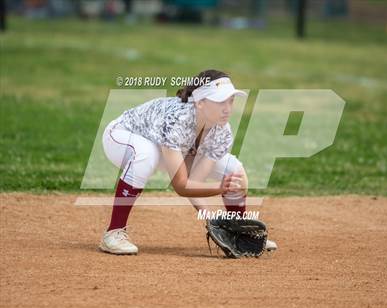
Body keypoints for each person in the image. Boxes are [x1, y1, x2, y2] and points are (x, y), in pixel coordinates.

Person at [99, 69, 277, 255]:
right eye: (220, 101)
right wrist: (220, 187)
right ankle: (113, 233)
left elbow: (194, 183)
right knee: (146, 154)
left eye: (230, 100)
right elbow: (181, 186)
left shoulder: (222, 131)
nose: (227, 108)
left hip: (166, 149)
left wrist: (211, 218)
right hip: (121, 137)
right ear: (200, 103)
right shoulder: (177, 120)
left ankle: (241, 232)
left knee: (233, 170)